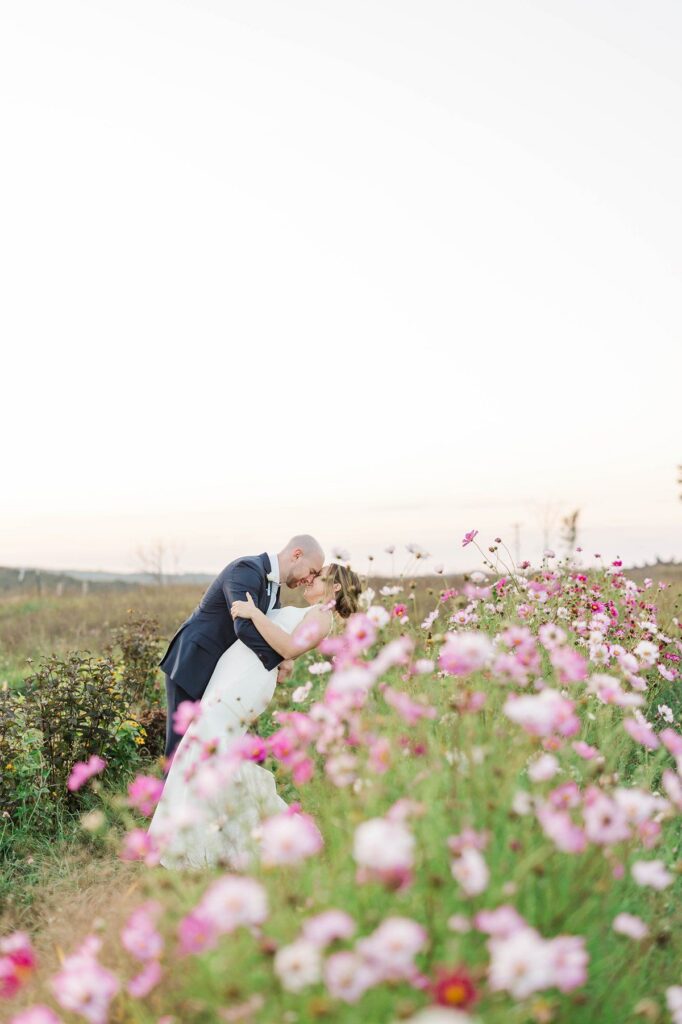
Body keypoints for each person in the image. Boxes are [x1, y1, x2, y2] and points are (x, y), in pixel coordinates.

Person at [147, 562, 362, 870]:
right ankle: (201, 837)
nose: (310, 580)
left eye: (319, 576)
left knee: (205, 747)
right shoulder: (311, 612)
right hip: (236, 673)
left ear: (336, 587)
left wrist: (255, 613)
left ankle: (199, 846)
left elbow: (288, 647)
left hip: (246, 681)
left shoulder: (322, 616)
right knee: (208, 750)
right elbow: (282, 645)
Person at [159, 535, 324, 760]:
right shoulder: (246, 569)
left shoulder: (274, 589)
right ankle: (166, 796)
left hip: (220, 673)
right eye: (313, 571)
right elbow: (244, 626)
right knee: (180, 750)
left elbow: (266, 629)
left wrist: (287, 659)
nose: (310, 579)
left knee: (209, 748)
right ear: (297, 555)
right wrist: (279, 659)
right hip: (193, 664)